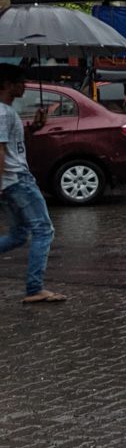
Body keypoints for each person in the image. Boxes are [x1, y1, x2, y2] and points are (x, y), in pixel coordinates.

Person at [0, 66, 64, 303]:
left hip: (11, 180)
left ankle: (35, 288)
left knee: (18, 235)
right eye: (19, 82)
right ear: (6, 85)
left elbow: (13, 144)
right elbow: (0, 150)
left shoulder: (7, 112)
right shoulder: (2, 113)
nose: (24, 86)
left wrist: (35, 127)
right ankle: (35, 288)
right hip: (16, 180)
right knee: (43, 230)